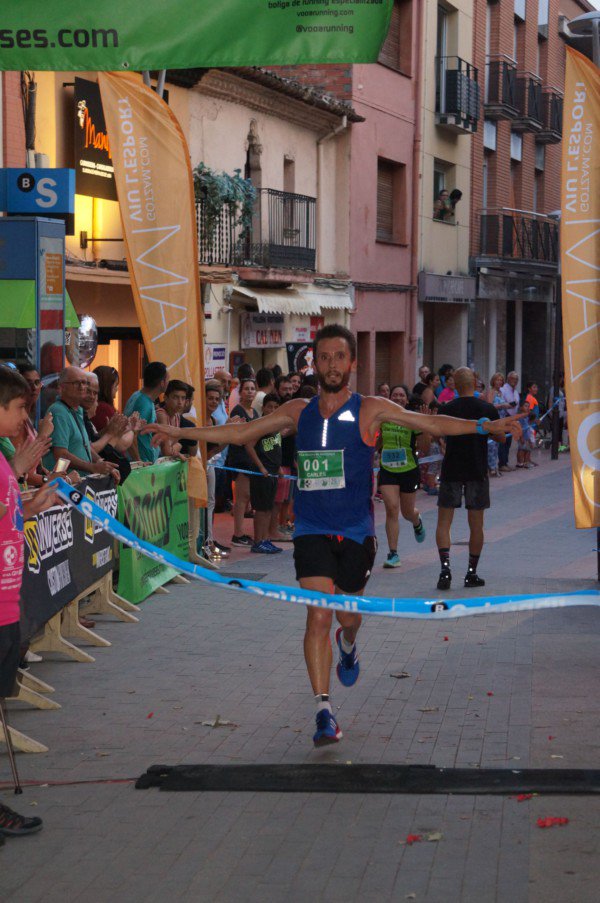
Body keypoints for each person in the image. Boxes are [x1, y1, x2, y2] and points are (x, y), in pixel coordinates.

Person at [144, 326, 516, 747]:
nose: (332, 365)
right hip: (312, 530)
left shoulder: (370, 409)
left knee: (347, 616)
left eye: (340, 357)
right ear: (314, 363)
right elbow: (238, 434)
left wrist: (484, 425)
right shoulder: (298, 410)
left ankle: (349, 643)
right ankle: (324, 709)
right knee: (318, 614)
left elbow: (430, 421)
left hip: (356, 532)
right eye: (324, 358)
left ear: (352, 363)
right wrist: (181, 433)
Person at [0, 367, 60, 840]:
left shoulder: (4, 463)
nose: (26, 418)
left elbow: (5, 511)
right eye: (20, 407)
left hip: (7, 603)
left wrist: (28, 502)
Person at [435, 367, 509, 591]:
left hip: (451, 470)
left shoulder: (447, 409)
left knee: (444, 522)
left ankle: (445, 569)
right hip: (477, 469)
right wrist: (486, 428)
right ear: (475, 382)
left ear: (455, 385)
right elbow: (501, 437)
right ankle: (471, 573)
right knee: (476, 524)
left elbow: (436, 432)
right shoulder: (486, 409)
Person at [378, 385, 427, 568]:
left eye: (401, 395)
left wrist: (424, 424)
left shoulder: (412, 418)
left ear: (406, 400)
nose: (398, 398)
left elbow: (424, 447)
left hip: (409, 469)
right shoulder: (382, 417)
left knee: (407, 512)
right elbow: (376, 442)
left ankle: (416, 520)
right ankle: (393, 554)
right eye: (394, 394)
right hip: (387, 469)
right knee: (391, 508)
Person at [42, 367, 120, 479]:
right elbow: (61, 454)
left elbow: (85, 445)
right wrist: (92, 467)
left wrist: (101, 463)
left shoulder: (77, 410)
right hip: (65, 488)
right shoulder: (58, 411)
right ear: (62, 387)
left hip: (79, 483)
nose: (82, 387)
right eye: (76, 383)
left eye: (84, 383)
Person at [245, 393, 284, 554]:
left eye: (276, 407)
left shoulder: (275, 426)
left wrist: (279, 467)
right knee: (261, 509)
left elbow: (275, 448)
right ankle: (258, 541)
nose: (272, 410)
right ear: (263, 407)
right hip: (262, 474)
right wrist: (261, 467)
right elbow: (249, 445)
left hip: (273, 473)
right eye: (270, 407)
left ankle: (265, 538)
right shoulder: (261, 425)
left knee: (268, 508)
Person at [227, 378, 260, 546]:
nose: (250, 391)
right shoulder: (238, 411)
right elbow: (237, 436)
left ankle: (240, 532)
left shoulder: (255, 412)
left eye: (252, 388)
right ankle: (237, 534)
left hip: (251, 460)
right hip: (240, 458)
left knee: (247, 497)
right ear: (240, 393)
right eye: (246, 389)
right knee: (241, 497)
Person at [124, 362, 169, 463]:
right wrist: (138, 460)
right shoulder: (144, 404)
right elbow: (131, 432)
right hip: (141, 463)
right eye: (168, 380)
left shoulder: (137, 395)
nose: (168, 383)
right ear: (162, 382)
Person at [156, 380, 189, 457]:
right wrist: (179, 445)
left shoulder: (177, 416)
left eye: (183, 398)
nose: (180, 402)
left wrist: (177, 445)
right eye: (175, 397)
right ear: (166, 398)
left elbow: (172, 447)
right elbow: (166, 452)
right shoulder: (161, 414)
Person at [498, 371, 520, 472]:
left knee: (508, 442)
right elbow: (501, 403)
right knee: (503, 441)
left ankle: (505, 462)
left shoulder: (515, 391)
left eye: (516, 379)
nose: (514, 381)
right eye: (512, 378)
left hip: (512, 418)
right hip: (505, 417)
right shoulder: (503, 389)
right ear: (508, 379)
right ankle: (502, 463)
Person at [92, 365, 120, 432]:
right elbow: (118, 438)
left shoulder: (100, 406)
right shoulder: (103, 408)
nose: (117, 389)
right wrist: (132, 431)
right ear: (107, 386)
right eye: (116, 385)